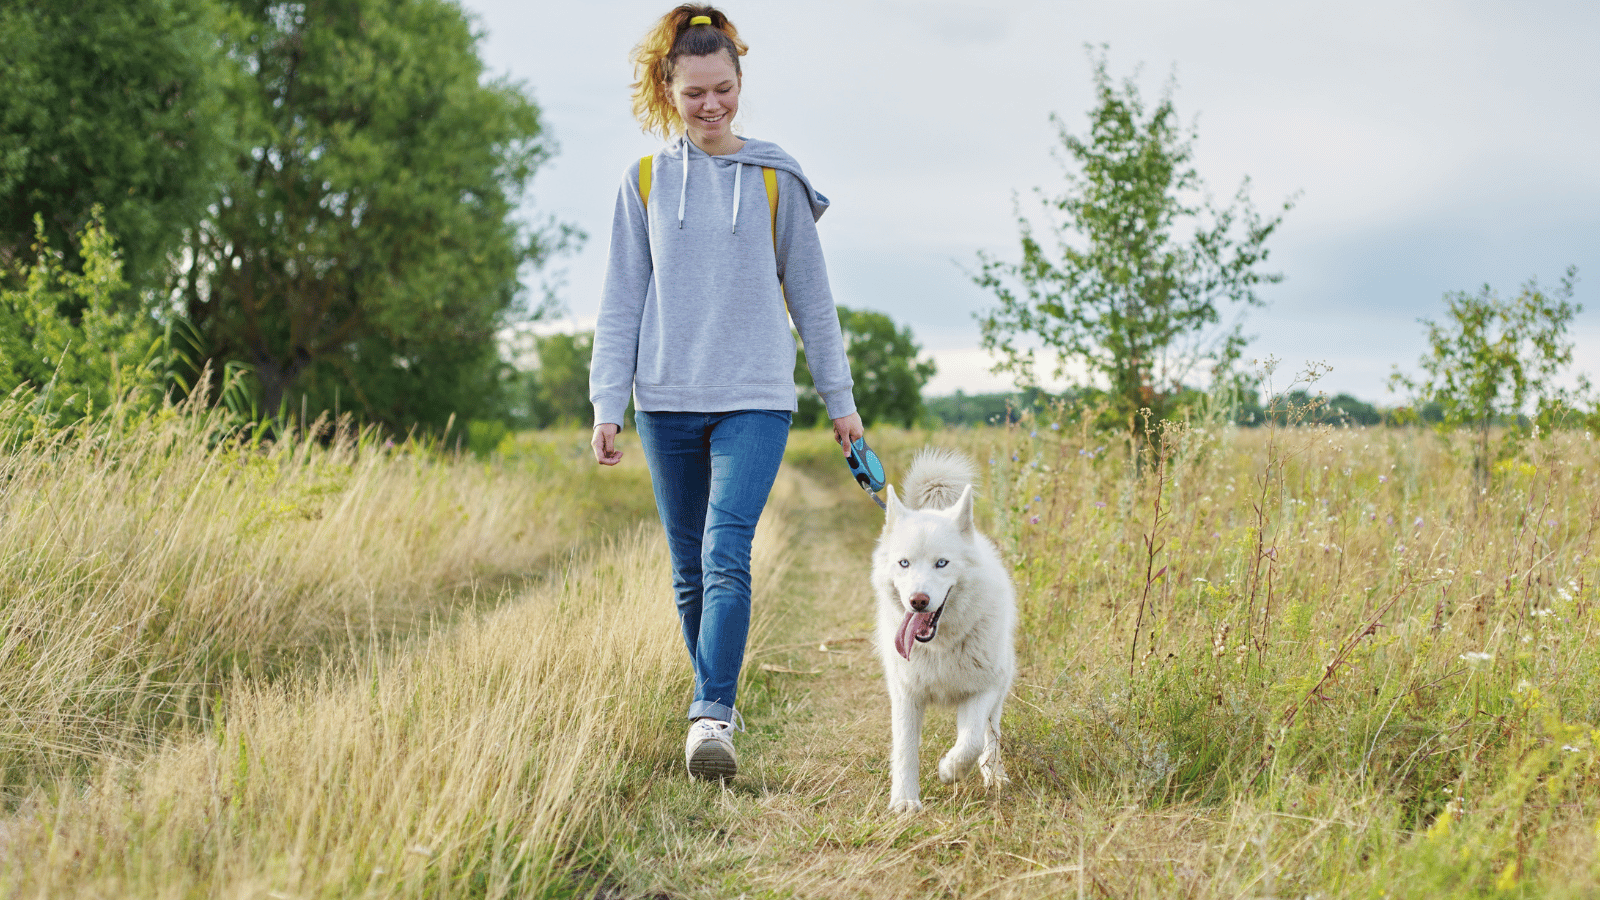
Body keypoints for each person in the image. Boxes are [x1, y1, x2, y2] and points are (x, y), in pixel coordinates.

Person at [589, 4, 863, 781]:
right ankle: (717, 705)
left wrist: (839, 404)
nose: (711, 106)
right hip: (666, 400)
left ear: (741, 82)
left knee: (724, 550)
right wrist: (608, 402)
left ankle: (711, 714)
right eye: (694, 93)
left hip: (755, 396)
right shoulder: (642, 182)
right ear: (667, 90)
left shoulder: (778, 179)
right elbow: (621, 301)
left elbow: (814, 304)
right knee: (687, 570)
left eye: (723, 90)